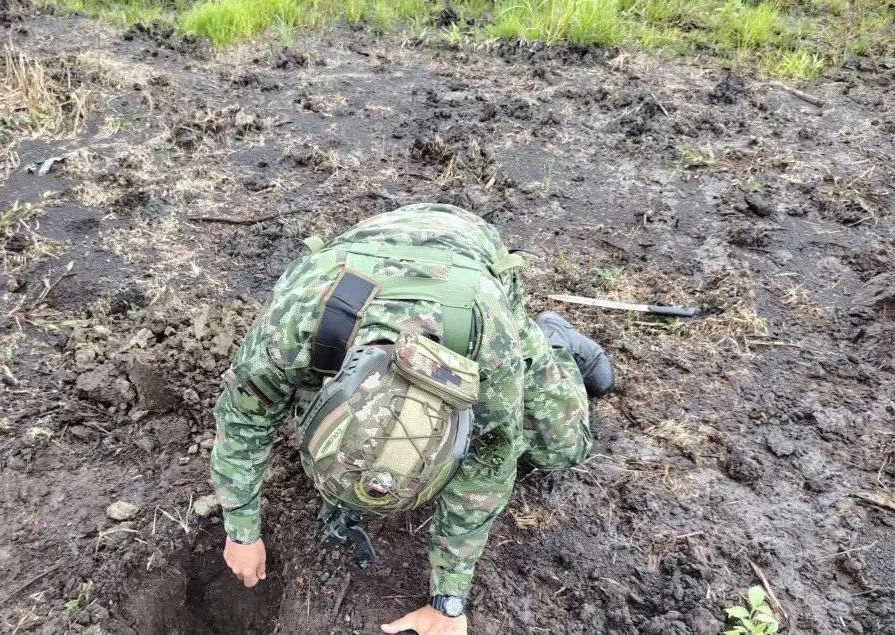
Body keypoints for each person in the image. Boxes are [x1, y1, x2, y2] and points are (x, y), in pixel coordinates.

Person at [210, 204, 614, 634]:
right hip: (361, 257)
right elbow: (242, 419)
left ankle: (554, 339)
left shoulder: (491, 353)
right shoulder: (293, 327)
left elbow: (489, 465)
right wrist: (241, 531)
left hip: (468, 260)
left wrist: (449, 600)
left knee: (561, 449)